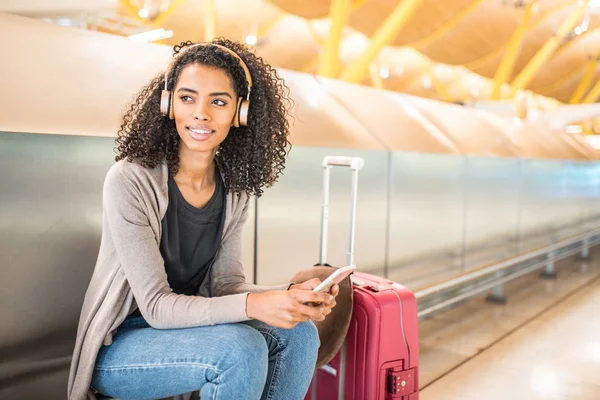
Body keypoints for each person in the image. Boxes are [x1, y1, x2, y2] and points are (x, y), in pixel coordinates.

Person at [67, 39, 339, 400]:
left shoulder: (235, 190)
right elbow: (157, 307)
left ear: (240, 113)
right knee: (239, 348)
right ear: (167, 104)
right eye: (187, 98)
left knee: (300, 333)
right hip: (121, 347)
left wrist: (287, 298)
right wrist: (257, 304)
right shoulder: (130, 180)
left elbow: (226, 285)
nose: (201, 113)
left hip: (192, 334)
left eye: (219, 102)